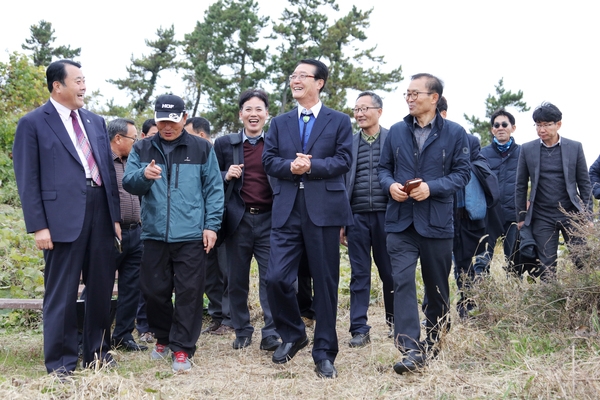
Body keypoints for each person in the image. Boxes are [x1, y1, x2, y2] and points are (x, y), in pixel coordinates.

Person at [12, 59, 122, 375]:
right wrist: (38, 226)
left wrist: (114, 217)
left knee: (101, 288)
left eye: (84, 80)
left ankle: (97, 353)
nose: (83, 86)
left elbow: (107, 172)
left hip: (100, 211)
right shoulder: (33, 123)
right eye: (77, 81)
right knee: (62, 292)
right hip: (60, 219)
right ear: (57, 85)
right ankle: (61, 363)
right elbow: (27, 178)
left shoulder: (95, 121)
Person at [262, 59, 353, 379]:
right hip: (286, 209)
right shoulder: (280, 122)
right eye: (293, 76)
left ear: (320, 83)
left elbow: (344, 160)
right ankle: (294, 332)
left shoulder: (339, 120)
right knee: (276, 277)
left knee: (326, 283)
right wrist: (291, 167)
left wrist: (311, 167)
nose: (295, 80)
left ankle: (325, 352)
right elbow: (269, 160)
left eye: (303, 76)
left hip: (324, 210)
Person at [123, 94, 224, 373]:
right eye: (162, 121)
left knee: (190, 293)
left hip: (192, 234)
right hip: (154, 233)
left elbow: (214, 189)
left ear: (184, 119)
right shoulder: (143, 147)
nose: (167, 126)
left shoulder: (202, 148)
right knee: (154, 291)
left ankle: (182, 349)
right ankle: (163, 337)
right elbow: (129, 183)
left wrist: (211, 225)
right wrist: (144, 174)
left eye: (173, 120)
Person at [378, 73, 470, 374]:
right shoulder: (395, 132)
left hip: (436, 223)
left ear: (434, 98)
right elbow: (383, 169)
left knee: (437, 289)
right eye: (407, 93)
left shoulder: (456, 134)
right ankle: (410, 349)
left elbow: (462, 175)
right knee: (401, 282)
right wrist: (390, 185)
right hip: (400, 223)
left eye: (415, 93)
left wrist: (432, 187)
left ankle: (434, 339)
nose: (409, 98)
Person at [214, 89, 281, 351]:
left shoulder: (276, 144)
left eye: (259, 110)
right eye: (248, 110)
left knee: (271, 278)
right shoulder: (225, 144)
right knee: (237, 279)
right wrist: (224, 174)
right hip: (238, 221)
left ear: (267, 114)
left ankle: (271, 331)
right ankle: (242, 330)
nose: (254, 115)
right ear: (241, 114)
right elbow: (208, 178)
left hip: (270, 220)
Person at [340, 91, 394, 347]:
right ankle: (359, 329)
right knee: (359, 275)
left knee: (391, 274)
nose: (359, 114)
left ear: (379, 111)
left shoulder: (394, 139)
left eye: (365, 109)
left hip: (389, 217)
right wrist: (342, 221)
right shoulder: (348, 143)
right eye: (356, 109)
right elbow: (341, 183)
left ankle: (397, 324)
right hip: (356, 218)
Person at [515, 102, 592, 278]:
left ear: (558, 124)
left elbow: (584, 183)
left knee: (582, 260)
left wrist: (587, 216)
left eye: (546, 124)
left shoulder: (575, 147)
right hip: (542, 215)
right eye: (538, 125)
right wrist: (520, 217)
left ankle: (584, 301)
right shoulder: (527, 149)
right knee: (546, 266)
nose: (541, 129)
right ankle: (551, 304)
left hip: (571, 213)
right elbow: (520, 185)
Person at [184, 116, 234, 336]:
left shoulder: (220, 149)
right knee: (208, 272)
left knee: (226, 272)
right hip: (197, 224)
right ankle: (216, 315)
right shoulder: (189, 155)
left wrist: (226, 175)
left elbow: (223, 177)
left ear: (201, 135)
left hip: (222, 223)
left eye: (189, 134)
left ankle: (230, 317)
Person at [106, 118, 147, 352]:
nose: (137, 141)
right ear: (118, 138)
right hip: (110, 234)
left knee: (131, 287)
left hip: (136, 232)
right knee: (100, 287)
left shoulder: (133, 162)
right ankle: (96, 334)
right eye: (133, 137)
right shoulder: (101, 163)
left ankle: (123, 335)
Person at [478, 109, 522, 274]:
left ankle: (514, 297)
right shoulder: (482, 154)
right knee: (482, 261)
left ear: (513, 128)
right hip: (489, 215)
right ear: (492, 129)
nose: (500, 127)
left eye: (505, 124)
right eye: (496, 125)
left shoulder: (523, 153)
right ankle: (483, 295)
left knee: (515, 262)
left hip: (513, 215)